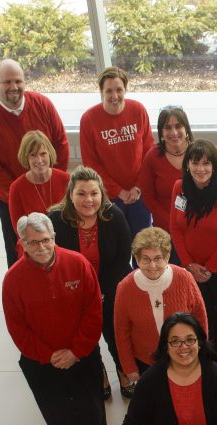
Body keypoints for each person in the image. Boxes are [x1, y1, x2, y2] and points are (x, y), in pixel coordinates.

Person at [2, 213, 106, 425]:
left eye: (46, 240)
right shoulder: (13, 280)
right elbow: (17, 329)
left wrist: (76, 351)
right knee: (57, 414)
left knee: (92, 409)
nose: (41, 247)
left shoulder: (78, 264)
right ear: (22, 243)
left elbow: (93, 310)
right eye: (33, 242)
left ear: (54, 238)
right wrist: (49, 356)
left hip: (82, 356)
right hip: (41, 364)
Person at [0, 59, 68, 267]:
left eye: (18, 81)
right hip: (12, 199)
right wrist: (21, 191)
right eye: (7, 82)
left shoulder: (43, 105)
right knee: (19, 252)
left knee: (64, 246)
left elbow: (60, 143)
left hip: (53, 192)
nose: (13, 87)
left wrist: (52, 179)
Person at [48, 166, 132, 399]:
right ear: (70, 195)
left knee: (115, 332)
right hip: (73, 291)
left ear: (102, 194)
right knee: (85, 334)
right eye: (81, 193)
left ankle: (123, 368)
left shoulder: (114, 215)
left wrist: (101, 292)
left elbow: (122, 259)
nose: (89, 200)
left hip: (109, 286)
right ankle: (99, 373)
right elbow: (55, 262)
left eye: (94, 193)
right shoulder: (55, 219)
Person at [113, 227, 207, 393]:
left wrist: (201, 351)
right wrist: (129, 367)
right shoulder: (125, 287)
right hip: (146, 361)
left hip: (184, 356)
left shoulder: (184, 278)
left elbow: (200, 318)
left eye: (158, 258)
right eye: (145, 259)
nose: (153, 265)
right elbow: (121, 332)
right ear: (136, 259)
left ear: (168, 257)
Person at [169, 140, 217, 337]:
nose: (201, 169)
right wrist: (188, 264)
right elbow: (175, 227)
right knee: (195, 320)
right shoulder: (179, 188)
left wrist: (208, 269)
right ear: (188, 165)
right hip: (190, 269)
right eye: (195, 162)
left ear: (215, 166)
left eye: (206, 163)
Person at [79, 67, 154, 239]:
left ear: (125, 89)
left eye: (119, 90)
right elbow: (91, 164)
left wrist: (138, 187)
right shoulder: (89, 119)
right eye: (109, 91)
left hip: (138, 195)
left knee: (142, 244)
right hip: (109, 197)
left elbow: (148, 153)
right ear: (101, 92)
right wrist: (119, 191)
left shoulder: (138, 110)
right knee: (116, 245)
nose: (115, 96)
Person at [136, 105, 194, 264]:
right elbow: (147, 196)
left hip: (196, 228)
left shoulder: (198, 152)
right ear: (161, 132)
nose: (174, 132)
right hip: (166, 230)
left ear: (186, 128)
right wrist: (172, 223)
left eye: (178, 126)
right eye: (167, 127)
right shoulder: (152, 156)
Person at [8, 130, 70, 256]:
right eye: (33, 155)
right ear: (26, 157)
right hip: (35, 245)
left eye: (43, 154)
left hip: (65, 240)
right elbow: (19, 229)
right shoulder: (17, 188)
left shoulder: (66, 179)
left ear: (50, 154)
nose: (39, 160)